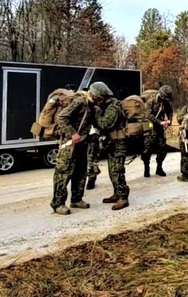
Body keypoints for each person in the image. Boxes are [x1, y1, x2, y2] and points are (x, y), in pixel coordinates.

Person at [50, 82, 112, 215]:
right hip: (69, 144)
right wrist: (73, 133)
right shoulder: (80, 101)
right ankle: (58, 203)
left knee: (80, 172)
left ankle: (76, 199)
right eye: (101, 97)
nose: (102, 100)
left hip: (82, 144)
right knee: (63, 174)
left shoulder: (90, 105)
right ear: (95, 95)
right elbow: (62, 117)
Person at [94, 91, 131, 210]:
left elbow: (105, 124)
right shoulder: (110, 105)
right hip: (113, 143)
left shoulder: (113, 107)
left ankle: (123, 197)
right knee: (112, 171)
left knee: (117, 171)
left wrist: (97, 112)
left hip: (118, 143)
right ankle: (117, 194)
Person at [140, 84, 174, 178]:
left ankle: (159, 168)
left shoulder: (165, 102)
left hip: (159, 127)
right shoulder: (151, 101)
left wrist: (169, 121)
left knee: (162, 148)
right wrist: (160, 122)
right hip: (149, 126)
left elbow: (170, 111)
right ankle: (146, 168)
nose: (166, 99)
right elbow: (148, 115)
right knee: (147, 149)